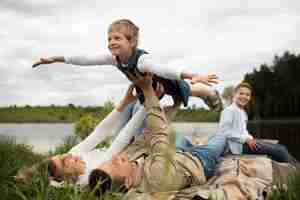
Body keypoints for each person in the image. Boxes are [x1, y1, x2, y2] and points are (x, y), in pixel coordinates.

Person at [32, 19, 222, 112]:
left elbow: (162, 69)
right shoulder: (113, 58)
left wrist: (191, 75)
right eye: (109, 38)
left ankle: (211, 94)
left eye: (117, 38)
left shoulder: (142, 60)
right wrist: (55, 59)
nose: (112, 42)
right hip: (148, 88)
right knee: (154, 103)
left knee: (191, 90)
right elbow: (84, 59)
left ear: (131, 42)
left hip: (168, 83)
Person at [88, 72, 227, 197]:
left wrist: (174, 105)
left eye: (109, 161)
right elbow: (158, 133)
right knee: (222, 138)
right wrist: (149, 92)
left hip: (177, 155)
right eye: (116, 164)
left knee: (162, 129)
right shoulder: (156, 176)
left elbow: (147, 134)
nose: (115, 157)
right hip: (198, 161)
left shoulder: (129, 160)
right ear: (128, 182)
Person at [219, 82, 296, 163]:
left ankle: (294, 167)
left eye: (247, 95)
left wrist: (250, 138)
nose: (244, 97)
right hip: (236, 147)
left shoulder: (242, 112)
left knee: (280, 148)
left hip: (243, 143)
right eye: (241, 93)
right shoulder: (229, 110)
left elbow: (243, 131)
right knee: (280, 150)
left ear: (250, 97)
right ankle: (294, 170)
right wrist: (245, 139)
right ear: (234, 94)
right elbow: (224, 132)